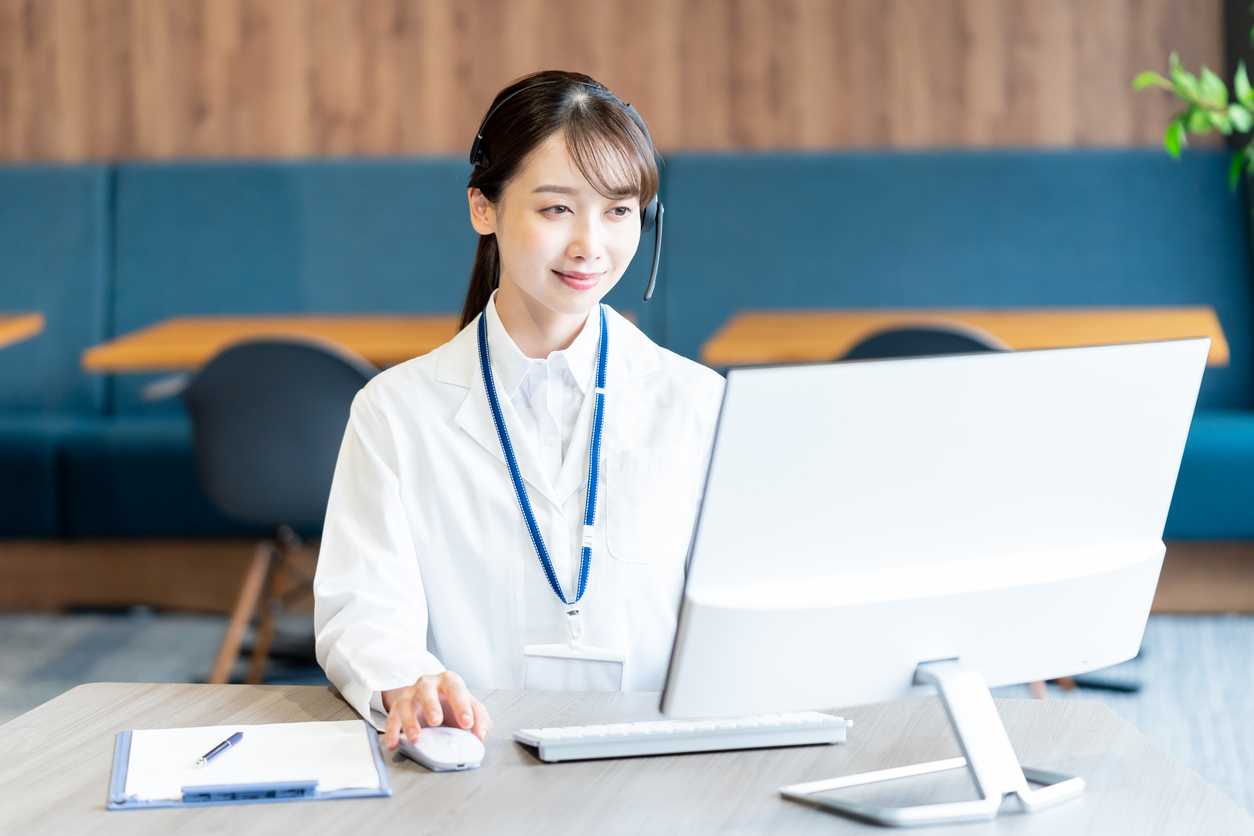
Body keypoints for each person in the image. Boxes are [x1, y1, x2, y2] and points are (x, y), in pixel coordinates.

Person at [313, 70, 724, 753]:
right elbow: (363, 611)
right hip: (472, 757)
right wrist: (407, 683)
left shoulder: (698, 403)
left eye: (619, 211)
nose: (591, 244)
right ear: (484, 208)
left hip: (658, 759)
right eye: (557, 209)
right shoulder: (394, 411)